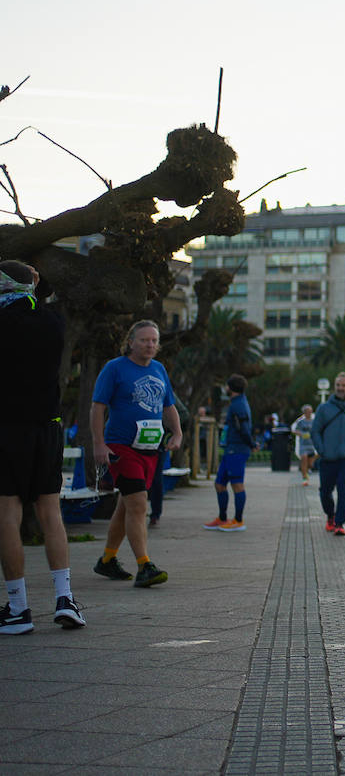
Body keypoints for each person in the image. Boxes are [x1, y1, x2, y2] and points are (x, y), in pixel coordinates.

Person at [0, 261, 86, 632]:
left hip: (7, 427)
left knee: (8, 512)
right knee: (51, 511)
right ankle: (64, 599)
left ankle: (18, 608)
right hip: (48, 427)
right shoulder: (54, 322)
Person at [91, 319, 182, 588]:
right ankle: (145, 565)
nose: (150, 345)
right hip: (121, 447)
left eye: (154, 340)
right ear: (131, 342)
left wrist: (177, 433)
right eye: (144, 340)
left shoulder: (159, 369)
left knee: (126, 506)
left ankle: (107, 560)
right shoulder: (115, 368)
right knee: (139, 504)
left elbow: (168, 406)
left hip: (150, 448)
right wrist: (98, 444)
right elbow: (97, 407)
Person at [312, 373, 345, 537]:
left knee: (344, 492)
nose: (340, 388)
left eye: (344, 386)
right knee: (325, 492)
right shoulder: (323, 408)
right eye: (338, 385)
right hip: (327, 458)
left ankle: (340, 523)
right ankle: (330, 515)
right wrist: (321, 450)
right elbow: (315, 431)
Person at [203, 374, 252, 531]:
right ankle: (222, 518)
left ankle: (238, 521)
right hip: (230, 448)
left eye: (226, 385)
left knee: (237, 484)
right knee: (219, 484)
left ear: (230, 388)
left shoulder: (239, 405)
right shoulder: (236, 403)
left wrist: (251, 443)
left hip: (237, 449)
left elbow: (244, 427)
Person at [292, 404, 316, 486]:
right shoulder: (300, 422)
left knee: (310, 464)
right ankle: (304, 478)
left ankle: (307, 471)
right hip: (303, 445)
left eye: (310, 411)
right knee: (304, 459)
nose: (309, 413)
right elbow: (294, 431)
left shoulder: (314, 422)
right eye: (307, 412)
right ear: (304, 412)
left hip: (312, 445)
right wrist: (301, 434)